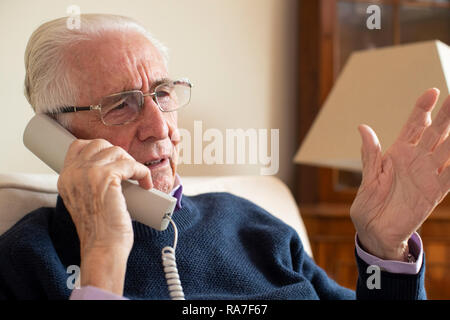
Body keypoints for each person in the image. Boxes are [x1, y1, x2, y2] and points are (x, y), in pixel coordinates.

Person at [0, 14, 448, 300]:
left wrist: (384, 249)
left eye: (162, 93)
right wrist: (103, 255)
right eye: (121, 104)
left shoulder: (253, 224)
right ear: (57, 137)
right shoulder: (27, 260)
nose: (161, 127)